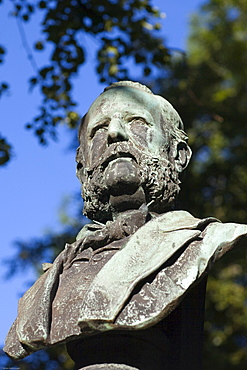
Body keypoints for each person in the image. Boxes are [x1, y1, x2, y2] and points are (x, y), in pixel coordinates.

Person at [4, 81, 247, 369]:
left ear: (177, 154)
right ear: (82, 168)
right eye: (99, 131)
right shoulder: (51, 280)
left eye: (136, 123)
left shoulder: (206, 241)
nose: (116, 134)